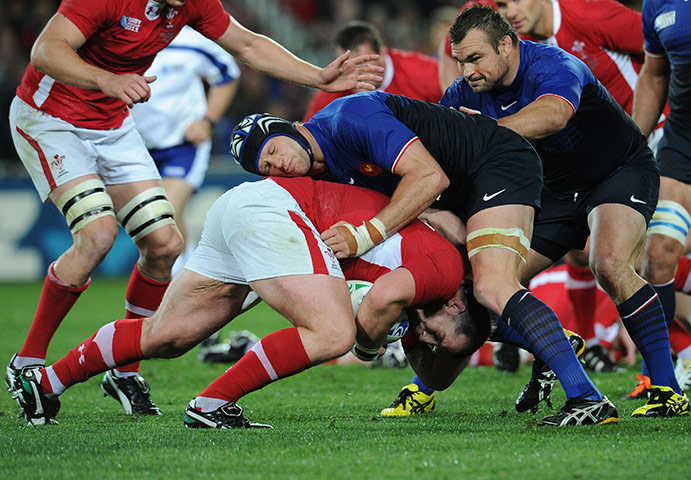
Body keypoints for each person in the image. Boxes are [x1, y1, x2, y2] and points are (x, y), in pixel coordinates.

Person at [5, 0, 383, 416]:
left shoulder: (193, 3)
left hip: (111, 125)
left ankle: (125, 370)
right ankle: (26, 364)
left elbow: (248, 45)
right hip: (50, 118)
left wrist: (318, 77)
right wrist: (106, 80)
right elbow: (45, 51)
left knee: (165, 245)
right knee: (97, 237)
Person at [230, 97, 619, 426]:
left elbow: (430, 178)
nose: (276, 164)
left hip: (495, 162)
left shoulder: (347, 119)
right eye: (264, 166)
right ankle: (549, 344)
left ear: (290, 127)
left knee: (488, 286)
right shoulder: (323, 173)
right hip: (446, 197)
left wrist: (366, 234)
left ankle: (588, 398)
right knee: (438, 298)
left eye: (273, 149)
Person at [11, 176, 489, 428]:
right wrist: (366, 349)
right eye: (438, 336)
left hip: (246, 208)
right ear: (455, 306)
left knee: (168, 336)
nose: (424, 339)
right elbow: (382, 299)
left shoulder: (439, 262)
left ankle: (47, 384)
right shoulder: (445, 271)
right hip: (281, 214)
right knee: (333, 333)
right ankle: (212, 403)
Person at [441, 5, 688, 417]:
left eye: (475, 59)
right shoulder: (465, 93)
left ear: (506, 44)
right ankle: (572, 372)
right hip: (555, 191)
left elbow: (555, 114)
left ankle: (666, 388)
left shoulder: (554, 62)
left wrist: (486, 133)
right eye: (460, 62)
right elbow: (443, 146)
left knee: (607, 262)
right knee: (484, 286)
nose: (466, 72)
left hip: (619, 171)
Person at [633, 0, 691, 401]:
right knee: (655, 255)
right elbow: (654, 73)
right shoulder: (656, 3)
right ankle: (661, 383)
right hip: (685, 147)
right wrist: (634, 144)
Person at [130, 25, 240, 274]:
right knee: (165, 223)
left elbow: (228, 74)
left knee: (160, 215)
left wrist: (208, 121)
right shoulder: (121, 36)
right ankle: (190, 273)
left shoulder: (191, 41)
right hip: (131, 147)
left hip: (183, 146)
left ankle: (174, 283)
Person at [302, 20, 443, 121]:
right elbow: (309, 141)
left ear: (382, 52)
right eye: (348, 66)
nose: (358, 72)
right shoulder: (329, 97)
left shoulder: (422, 71)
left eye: (364, 61)